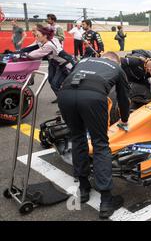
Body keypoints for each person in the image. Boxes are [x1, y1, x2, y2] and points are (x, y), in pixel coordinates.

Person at [58, 52, 130, 219]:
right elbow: (124, 98)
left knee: (77, 138)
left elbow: (71, 79)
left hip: (65, 95)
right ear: (115, 61)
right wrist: (125, 120)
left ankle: (83, 189)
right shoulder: (117, 68)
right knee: (100, 144)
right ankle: (106, 201)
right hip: (93, 97)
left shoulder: (84, 60)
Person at [23, 24, 72, 99]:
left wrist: (24, 54)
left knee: (57, 84)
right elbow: (33, 48)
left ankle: (64, 102)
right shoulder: (51, 40)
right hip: (60, 64)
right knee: (53, 82)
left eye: (37, 35)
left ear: (45, 35)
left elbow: (34, 54)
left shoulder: (48, 45)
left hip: (66, 65)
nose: (36, 37)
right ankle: (61, 100)